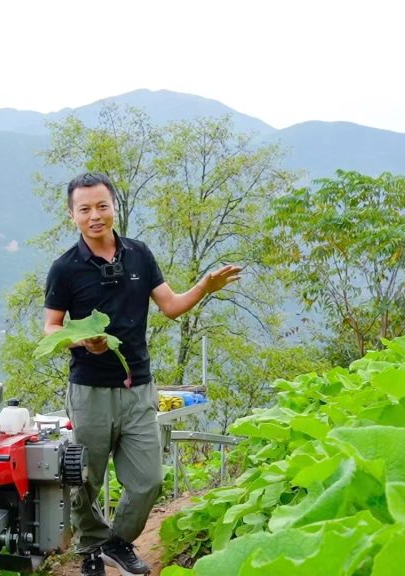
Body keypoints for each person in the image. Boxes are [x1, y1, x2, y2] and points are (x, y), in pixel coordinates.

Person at [44, 172, 241, 576]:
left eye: (102, 206)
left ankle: (118, 542)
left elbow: (169, 306)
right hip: (90, 390)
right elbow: (52, 327)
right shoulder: (65, 269)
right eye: (85, 209)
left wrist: (204, 286)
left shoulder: (139, 254)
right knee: (85, 479)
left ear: (114, 207)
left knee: (148, 480)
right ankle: (92, 550)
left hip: (138, 386)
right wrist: (82, 341)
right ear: (72, 215)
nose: (95, 216)